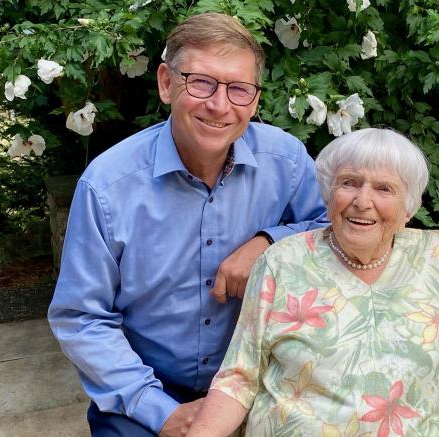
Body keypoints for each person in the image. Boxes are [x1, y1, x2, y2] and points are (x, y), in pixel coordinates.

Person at [47, 13, 328, 437]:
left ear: (254, 99)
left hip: (259, 381)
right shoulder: (107, 186)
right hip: (147, 386)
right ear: (166, 83)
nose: (219, 105)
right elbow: (82, 318)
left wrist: (270, 241)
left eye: (238, 89)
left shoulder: (286, 160)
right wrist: (159, 410)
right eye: (201, 82)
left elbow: (334, 231)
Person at [184, 128, 439, 437]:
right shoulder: (282, 261)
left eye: (384, 189)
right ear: (329, 193)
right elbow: (238, 380)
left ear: (408, 209)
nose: (362, 201)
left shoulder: (437, 260)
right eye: (349, 183)